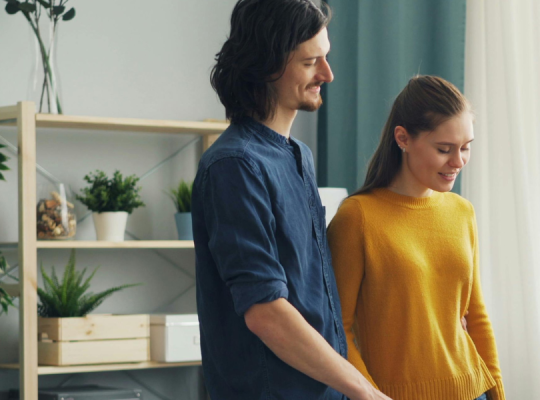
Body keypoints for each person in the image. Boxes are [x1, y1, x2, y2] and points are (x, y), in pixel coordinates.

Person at [194, 1, 389, 399]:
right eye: (310, 62)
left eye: (326, 58)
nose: (327, 74)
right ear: (268, 65)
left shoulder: (299, 156)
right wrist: (365, 391)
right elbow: (266, 312)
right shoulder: (234, 166)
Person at [328, 75, 504, 400]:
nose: (458, 161)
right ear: (403, 138)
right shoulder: (358, 217)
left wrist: (498, 393)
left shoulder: (462, 212)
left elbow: (475, 315)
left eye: (466, 148)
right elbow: (338, 329)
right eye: (444, 149)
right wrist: (370, 394)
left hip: (473, 389)